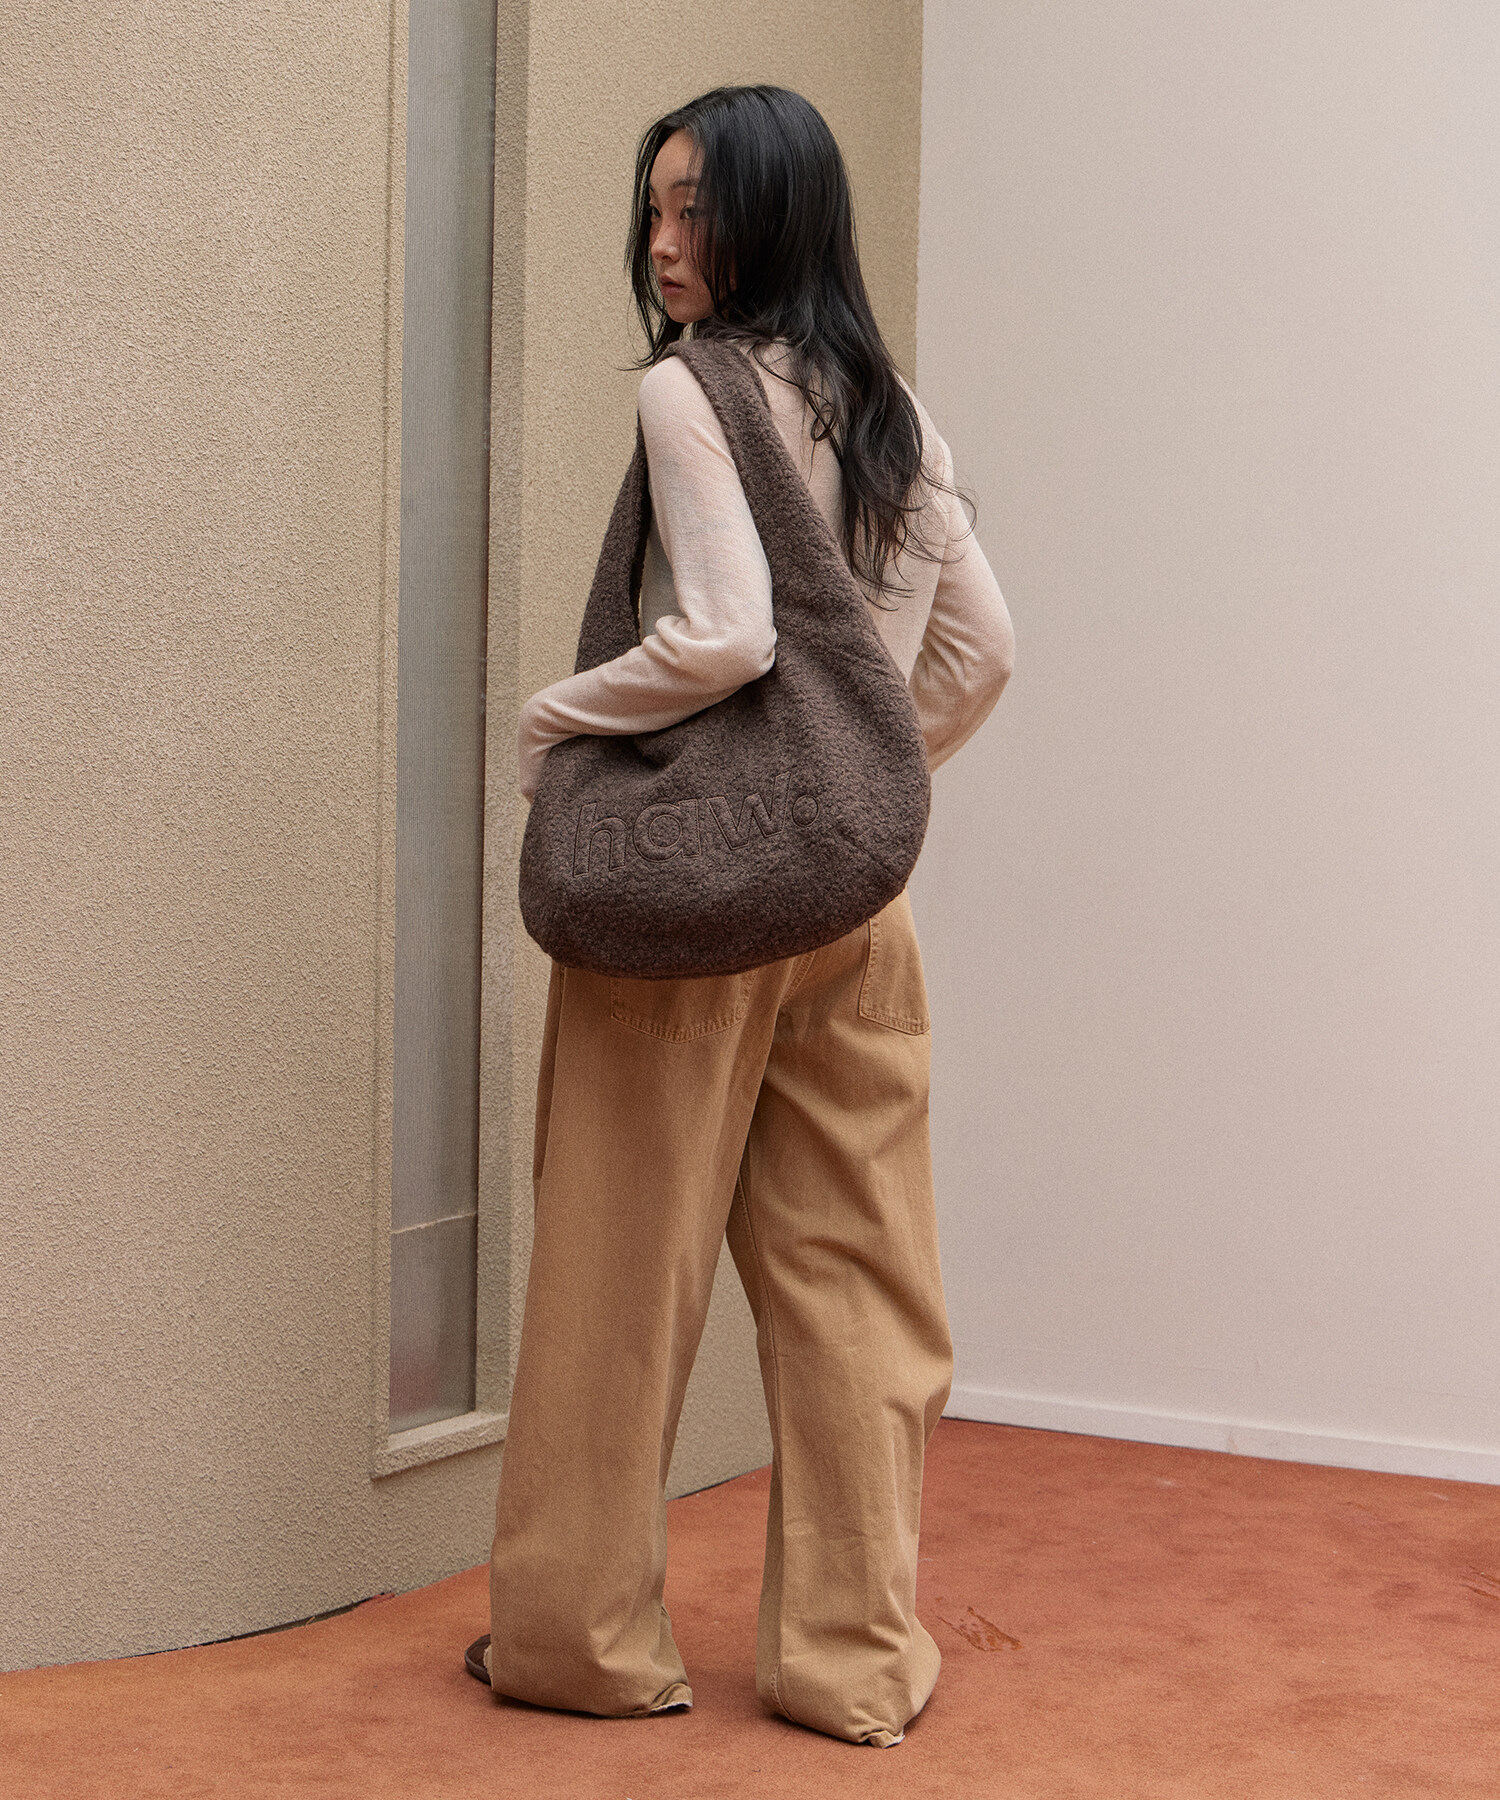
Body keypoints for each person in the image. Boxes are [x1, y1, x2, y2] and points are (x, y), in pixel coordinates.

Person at [467, 84, 1014, 1750]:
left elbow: (723, 637)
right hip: (853, 917)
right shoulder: (891, 408)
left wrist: (551, 722)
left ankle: (580, 1642)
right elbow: (980, 652)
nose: (663, 241)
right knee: (862, 1283)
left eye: (695, 207)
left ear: (775, 214)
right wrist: (846, 801)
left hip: (689, 918)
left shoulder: (688, 389)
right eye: (655, 206)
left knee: (618, 1281)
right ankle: (854, 1661)